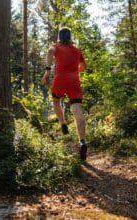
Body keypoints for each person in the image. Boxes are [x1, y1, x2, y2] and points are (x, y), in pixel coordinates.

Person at [41, 27, 87, 161]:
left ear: (60, 37)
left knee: (56, 101)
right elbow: (83, 67)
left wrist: (48, 71)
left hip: (60, 79)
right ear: (70, 36)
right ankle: (82, 141)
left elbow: (50, 52)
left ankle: (62, 123)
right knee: (77, 110)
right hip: (74, 82)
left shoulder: (56, 46)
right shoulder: (77, 50)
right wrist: (74, 70)